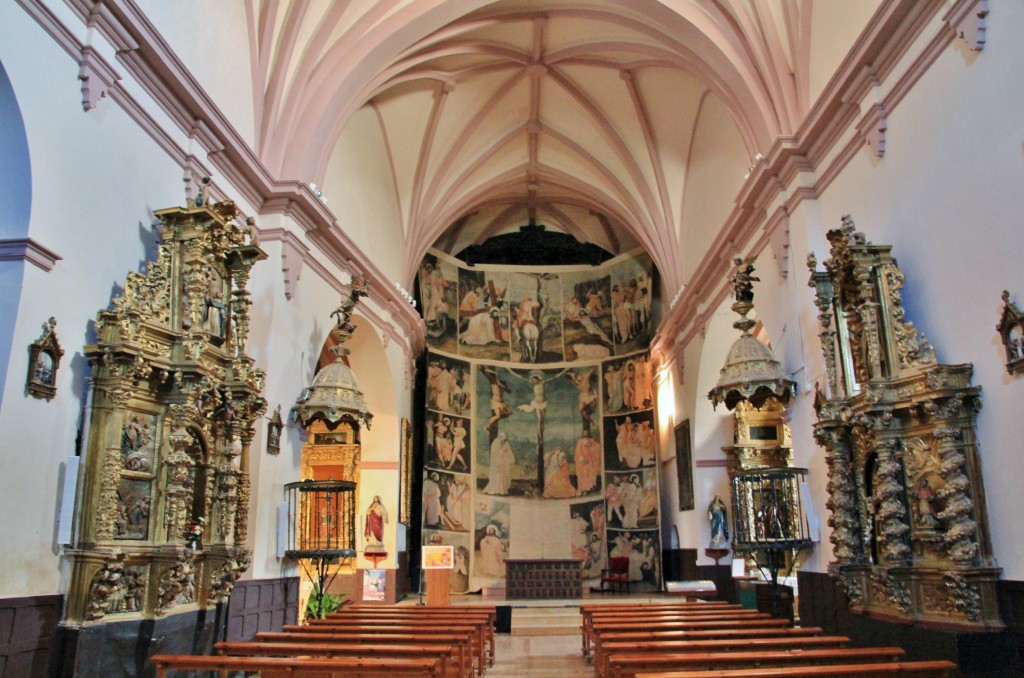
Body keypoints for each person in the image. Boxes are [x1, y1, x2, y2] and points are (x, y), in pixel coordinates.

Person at [573, 430, 601, 495]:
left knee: (588, 476)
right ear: (582, 434)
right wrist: (582, 459)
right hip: (582, 462)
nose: (585, 434)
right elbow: (578, 452)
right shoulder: (580, 441)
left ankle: (587, 490)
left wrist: (591, 448)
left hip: (589, 461)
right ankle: (581, 489)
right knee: (582, 476)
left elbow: (595, 448)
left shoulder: (590, 440)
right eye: (584, 433)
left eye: (587, 433)